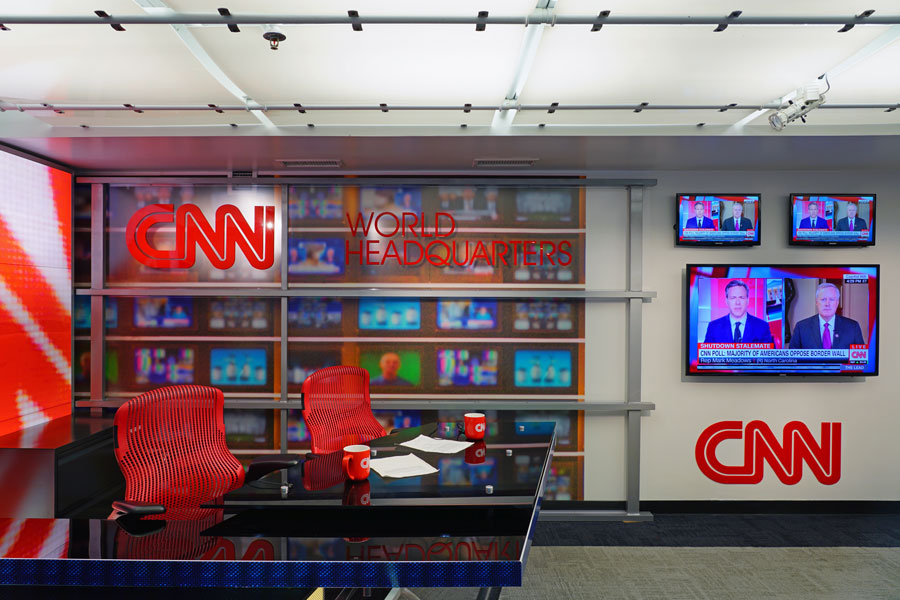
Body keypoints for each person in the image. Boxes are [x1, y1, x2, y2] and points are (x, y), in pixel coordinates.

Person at [789, 283, 864, 349]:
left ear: (837, 303)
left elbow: (860, 360)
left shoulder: (853, 327)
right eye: (823, 299)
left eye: (831, 299)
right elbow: (793, 361)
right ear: (816, 302)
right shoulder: (801, 327)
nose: (827, 304)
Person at [703, 280, 775, 344]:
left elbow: (769, 358)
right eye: (733, 298)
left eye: (741, 297)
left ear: (747, 300)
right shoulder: (714, 327)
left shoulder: (762, 326)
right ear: (726, 301)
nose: (737, 302)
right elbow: (706, 358)